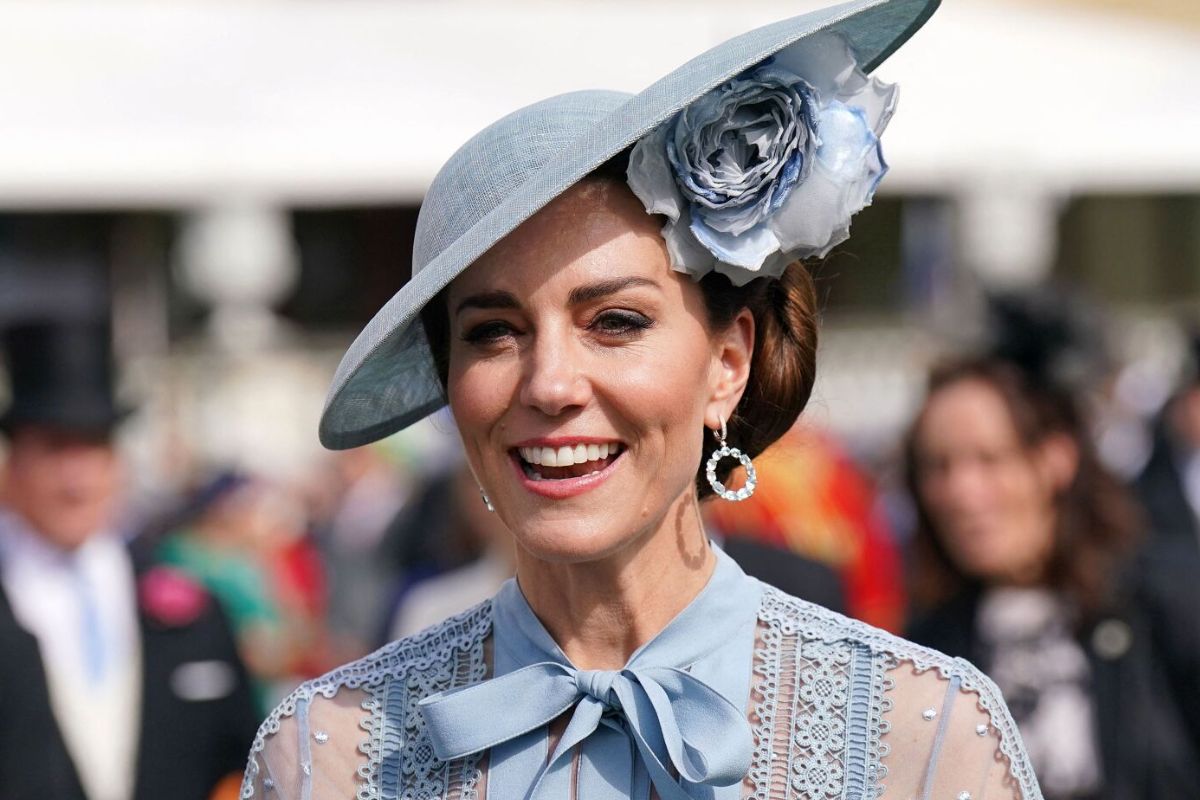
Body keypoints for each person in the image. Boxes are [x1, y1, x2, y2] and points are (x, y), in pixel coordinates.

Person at [242, 3, 1044, 799]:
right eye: (493, 332)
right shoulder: (330, 753)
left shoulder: (920, 738)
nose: (550, 384)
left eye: (615, 322)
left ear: (727, 364)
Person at [905, 356, 1200, 799]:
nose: (960, 493)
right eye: (937, 466)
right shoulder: (926, 649)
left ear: (1055, 459)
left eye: (989, 459)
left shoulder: (1167, 600)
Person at [0, 319, 259, 800]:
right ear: (14, 464)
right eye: (54, 449)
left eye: (93, 447)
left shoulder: (191, 613)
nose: (76, 481)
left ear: (117, 461)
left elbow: (243, 761)